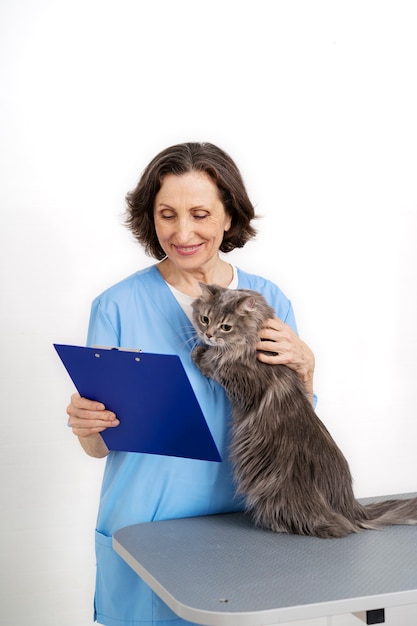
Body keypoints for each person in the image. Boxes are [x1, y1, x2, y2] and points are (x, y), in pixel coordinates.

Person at [66, 142, 315, 626]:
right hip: (144, 529)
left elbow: (293, 429)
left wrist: (306, 370)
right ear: (150, 219)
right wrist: (86, 426)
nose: (182, 232)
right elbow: (99, 448)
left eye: (199, 213)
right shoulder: (116, 306)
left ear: (228, 217)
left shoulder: (268, 301)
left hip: (248, 523)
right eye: (166, 214)